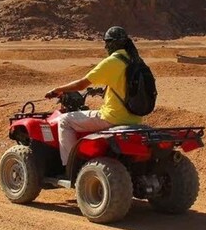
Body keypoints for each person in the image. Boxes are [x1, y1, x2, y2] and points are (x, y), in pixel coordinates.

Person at [45, 26, 144, 168]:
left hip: (112, 117)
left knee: (65, 121)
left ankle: (71, 166)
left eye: (107, 42)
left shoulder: (113, 61)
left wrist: (57, 90)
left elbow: (81, 84)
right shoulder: (137, 61)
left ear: (112, 43)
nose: (105, 46)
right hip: (135, 118)